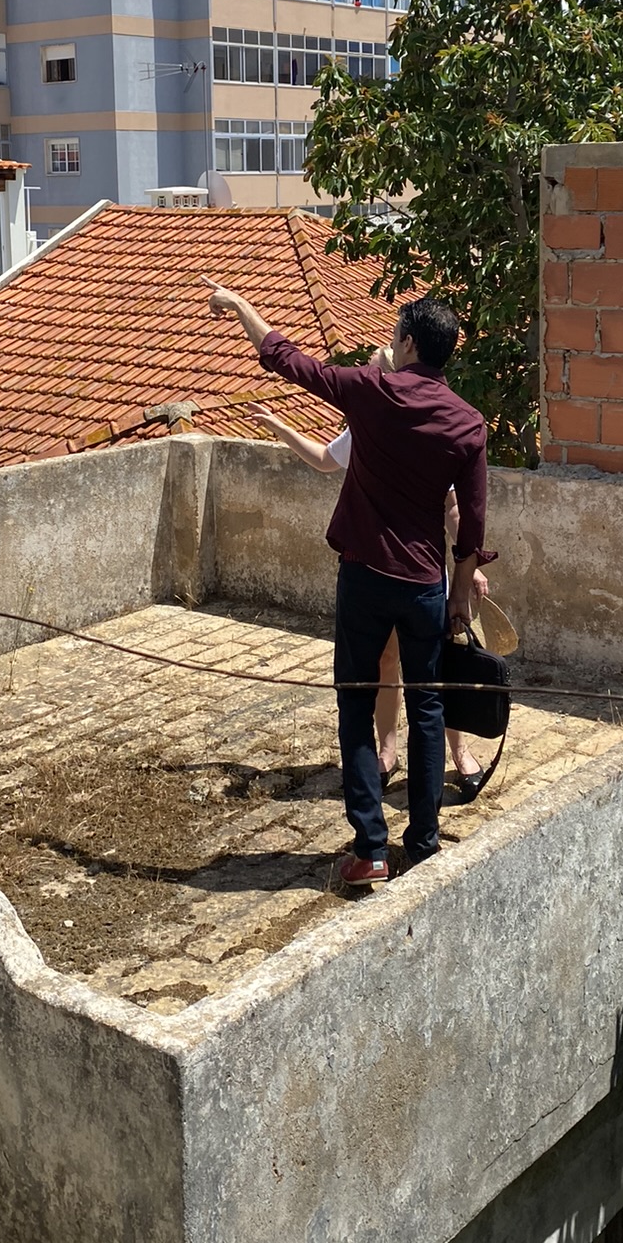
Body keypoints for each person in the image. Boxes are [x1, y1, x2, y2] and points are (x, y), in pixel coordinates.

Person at [206, 280, 492, 887]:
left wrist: (243, 310)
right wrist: (460, 598)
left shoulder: (372, 391)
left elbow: (291, 361)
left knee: (356, 704)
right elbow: (470, 527)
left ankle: (371, 851)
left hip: (364, 577)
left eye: (396, 334)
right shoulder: (469, 424)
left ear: (409, 343)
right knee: (429, 707)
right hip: (425, 586)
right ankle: (424, 841)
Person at [247, 391, 495, 801]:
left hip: (425, 569)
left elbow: (455, 508)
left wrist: (471, 566)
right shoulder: (368, 423)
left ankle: (459, 752)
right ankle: (387, 750)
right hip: (375, 570)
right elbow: (325, 459)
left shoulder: (431, 429)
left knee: (440, 668)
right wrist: (279, 426)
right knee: (385, 662)